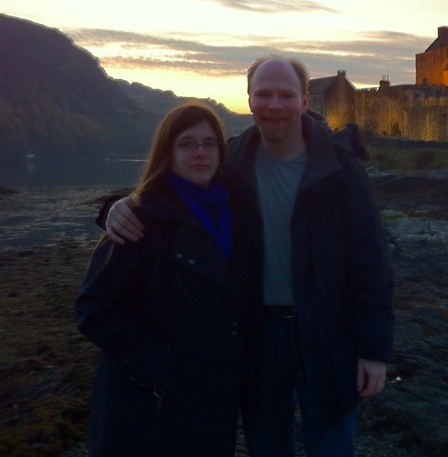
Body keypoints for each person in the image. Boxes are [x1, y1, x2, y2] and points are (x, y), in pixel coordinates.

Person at [103, 58, 395, 457]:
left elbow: (371, 265)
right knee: (266, 447)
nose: (274, 104)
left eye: (285, 95)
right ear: (250, 99)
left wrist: (374, 352)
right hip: (257, 338)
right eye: (264, 94)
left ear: (305, 99)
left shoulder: (341, 170)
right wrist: (120, 206)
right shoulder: (230, 164)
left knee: (333, 446)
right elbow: (173, 195)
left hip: (329, 336)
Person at [77, 101, 262, 456]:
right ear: (168, 153)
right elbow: (94, 308)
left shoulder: (239, 213)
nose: (199, 152)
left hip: (213, 402)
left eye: (209, 143)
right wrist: (160, 368)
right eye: (186, 143)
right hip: (148, 408)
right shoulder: (140, 218)